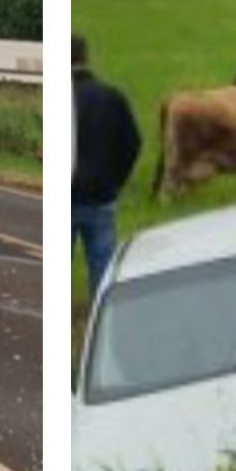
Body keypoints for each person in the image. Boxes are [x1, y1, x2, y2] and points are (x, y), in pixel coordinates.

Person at [71, 33, 141, 304]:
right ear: (86, 57)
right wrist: (116, 180)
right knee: (103, 266)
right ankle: (99, 320)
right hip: (101, 197)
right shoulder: (112, 97)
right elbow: (133, 143)